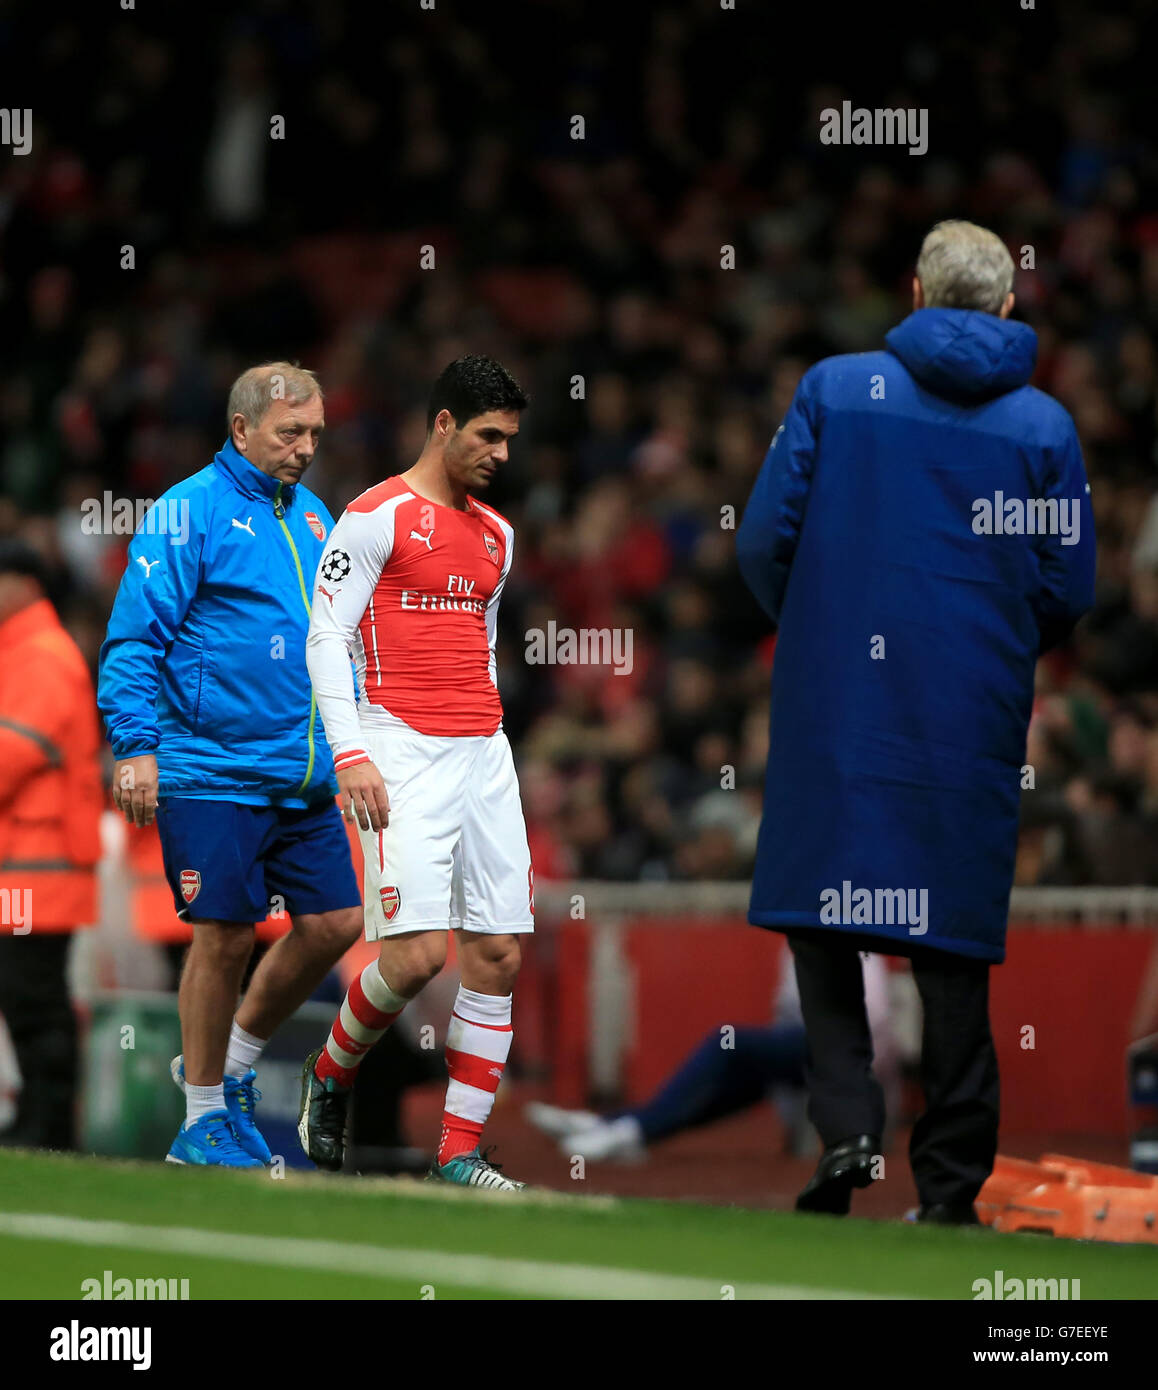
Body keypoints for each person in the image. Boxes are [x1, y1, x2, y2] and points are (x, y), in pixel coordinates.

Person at [736, 221, 1096, 1223]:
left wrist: (818, 634)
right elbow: (1071, 589)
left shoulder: (838, 390)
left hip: (838, 698)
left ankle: (848, 1125)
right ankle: (947, 1189)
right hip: (969, 713)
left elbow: (764, 541)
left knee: (822, 920)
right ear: (1008, 308)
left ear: (915, 289)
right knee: (950, 946)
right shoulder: (1044, 430)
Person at [97, 362, 363, 1168]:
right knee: (224, 936)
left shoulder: (315, 518)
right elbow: (134, 637)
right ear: (241, 429)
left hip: (302, 771)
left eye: (315, 432)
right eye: (291, 432)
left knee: (336, 926)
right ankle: (201, 1121)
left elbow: (334, 646)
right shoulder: (187, 512)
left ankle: (232, 1071)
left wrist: (354, 744)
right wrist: (136, 746)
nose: (306, 447)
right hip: (209, 767)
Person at [298, 355, 534, 1191]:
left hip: (483, 754)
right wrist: (350, 752)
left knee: (498, 953)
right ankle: (330, 1072)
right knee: (415, 958)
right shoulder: (372, 517)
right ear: (443, 425)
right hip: (398, 751)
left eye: (509, 439)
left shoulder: (499, 537)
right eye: (488, 436)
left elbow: (483, 645)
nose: (501, 454)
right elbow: (326, 637)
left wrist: (490, 747)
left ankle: (457, 1157)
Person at [525, 953, 899, 1164]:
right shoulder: (795, 942)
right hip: (809, 1055)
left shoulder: (843, 931)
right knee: (727, 1085)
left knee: (728, 1043)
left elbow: (872, 1020)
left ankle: (626, 1129)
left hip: (844, 1053)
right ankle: (615, 1126)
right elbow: (785, 1015)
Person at [0, 541, 102, 1150]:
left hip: (40, 875)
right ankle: (43, 1121)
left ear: (25, 585)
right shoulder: (29, 652)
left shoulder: (40, 655)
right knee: (27, 995)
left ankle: (49, 1126)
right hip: (29, 872)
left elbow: (12, 754)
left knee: (33, 998)